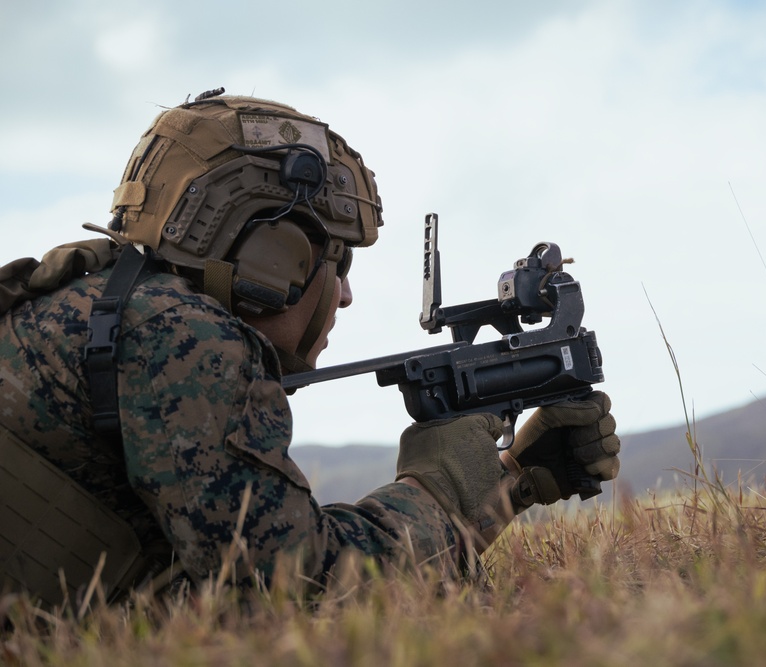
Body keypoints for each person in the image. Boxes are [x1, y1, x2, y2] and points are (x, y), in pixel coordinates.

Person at [0, 89, 620, 606]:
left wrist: (509, 485)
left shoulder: (107, 309)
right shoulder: (181, 337)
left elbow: (185, 592)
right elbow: (299, 594)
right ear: (273, 259)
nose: (344, 295)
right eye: (338, 262)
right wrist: (440, 485)